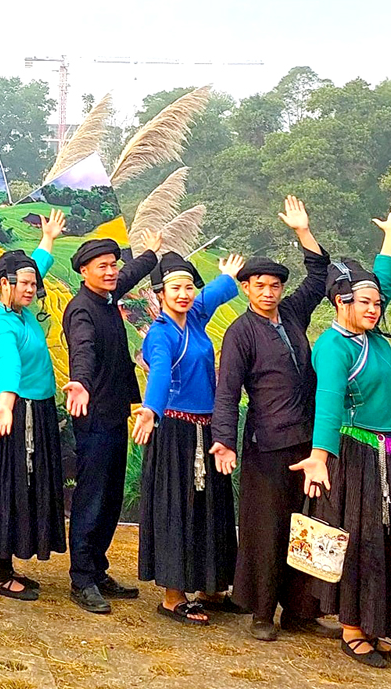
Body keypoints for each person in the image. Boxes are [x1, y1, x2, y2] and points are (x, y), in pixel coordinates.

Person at [291, 208, 391, 668]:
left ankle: (381, 623)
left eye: (377, 303)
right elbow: (327, 406)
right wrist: (318, 457)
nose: (374, 308)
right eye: (364, 302)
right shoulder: (333, 347)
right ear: (339, 303)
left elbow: (384, 276)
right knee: (363, 539)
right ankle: (352, 627)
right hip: (358, 456)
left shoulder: (370, 322)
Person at [209, 196, 337, 642]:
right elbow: (227, 393)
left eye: (274, 286)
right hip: (267, 447)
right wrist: (223, 439)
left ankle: (301, 611)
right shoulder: (240, 332)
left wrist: (303, 231)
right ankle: (262, 612)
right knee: (267, 530)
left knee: (307, 526)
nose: (268, 292)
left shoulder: (294, 315)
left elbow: (319, 276)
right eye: (259, 285)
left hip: (309, 443)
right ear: (246, 288)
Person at [133, 251, 244, 626]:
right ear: (160, 294)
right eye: (175, 288)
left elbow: (214, 294)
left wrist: (228, 277)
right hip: (176, 434)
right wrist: (151, 409)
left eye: (188, 287)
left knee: (210, 508)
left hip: (208, 428)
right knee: (176, 509)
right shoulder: (160, 335)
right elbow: (161, 372)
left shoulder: (195, 318)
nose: (184, 294)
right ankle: (173, 596)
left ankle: (212, 587)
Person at [61, 229, 161, 614]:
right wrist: (81, 383)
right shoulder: (82, 309)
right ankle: (82, 578)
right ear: (84, 270)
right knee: (92, 497)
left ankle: (98, 568)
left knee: (111, 498)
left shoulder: (108, 296)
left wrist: (151, 252)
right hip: (93, 416)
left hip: (115, 411)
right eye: (102, 267)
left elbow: (131, 273)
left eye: (112, 266)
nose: (111, 272)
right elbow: (82, 348)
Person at [0, 210, 69, 602]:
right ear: (3, 284)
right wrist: (8, 406)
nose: (31, 289)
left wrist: (47, 239)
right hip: (12, 413)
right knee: (6, 489)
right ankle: (0, 574)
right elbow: (9, 364)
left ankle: (11, 566)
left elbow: (36, 265)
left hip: (35, 409)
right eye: (23, 283)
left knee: (26, 488)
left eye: (34, 283)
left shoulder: (19, 305)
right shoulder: (1, 322)